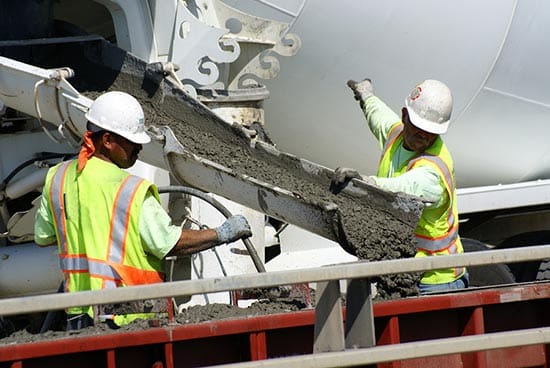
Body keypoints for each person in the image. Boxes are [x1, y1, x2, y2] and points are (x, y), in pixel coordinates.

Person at [35, 91, 252, 330]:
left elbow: (44, 237)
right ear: (107, 140)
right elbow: (169, 243)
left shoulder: (57, 178)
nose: (139, 147)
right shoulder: (130, 190)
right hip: (128, 317)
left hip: (77, 315)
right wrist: (222, 233)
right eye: (131, 140)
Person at [330, 78, 468, 293]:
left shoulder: (434, 168)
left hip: (436, 279)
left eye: (431, 132)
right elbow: (380, 116)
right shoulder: (396, 135)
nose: (423, 136)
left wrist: (365, 183)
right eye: (419, 128)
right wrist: (366, 96)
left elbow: (405, 188)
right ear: (405, 116)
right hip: (404, 271)